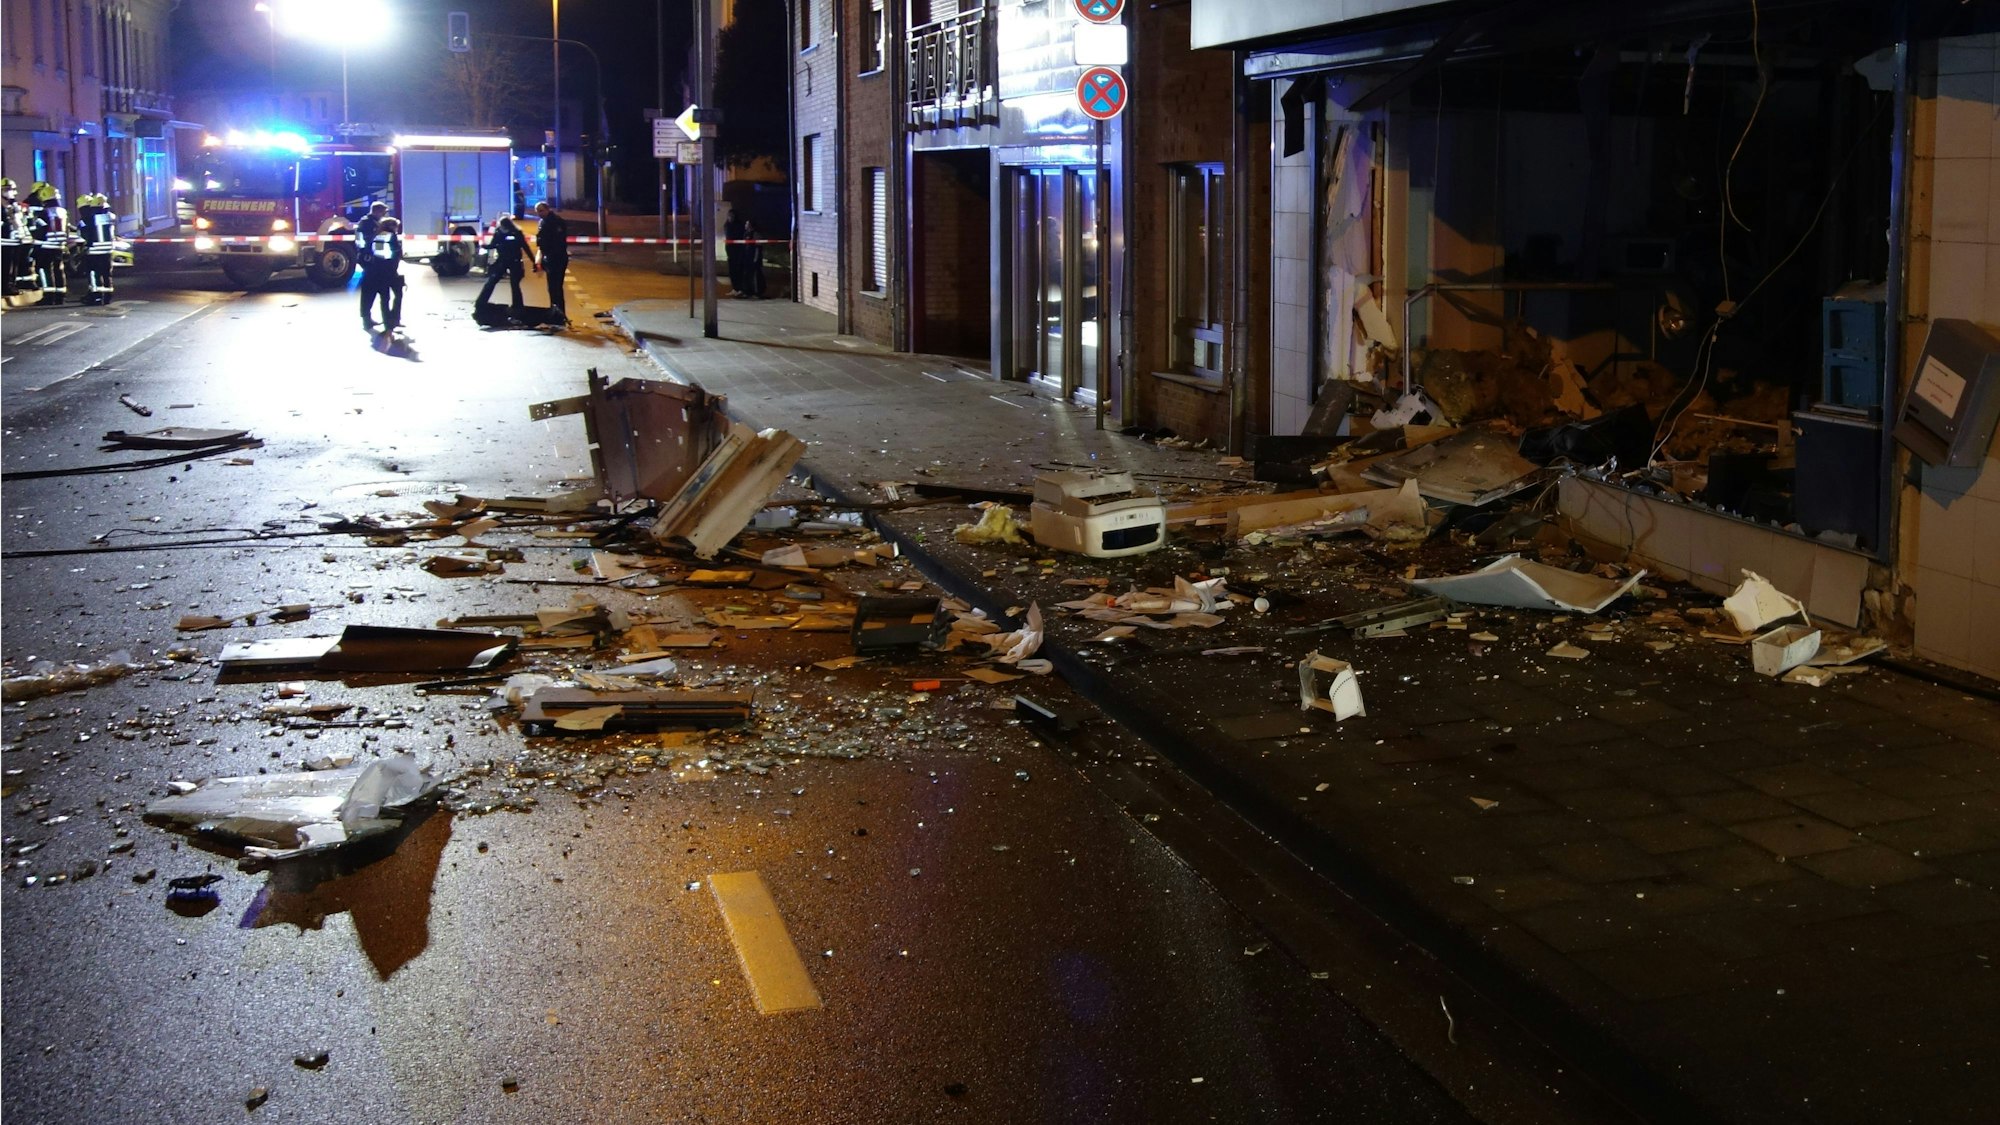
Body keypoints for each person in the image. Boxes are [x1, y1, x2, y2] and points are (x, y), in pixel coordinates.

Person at [474, 214, 532, 322]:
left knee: (496, 282)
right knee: (510, 284)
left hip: (507, 261)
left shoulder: (504, 233)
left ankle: (482, 302)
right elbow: (525, 247)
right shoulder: (511, 233)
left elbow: (493, 245)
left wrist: (483, 246)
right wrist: (533, 262)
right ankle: (517, 306)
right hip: (510, 261)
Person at [360, 216, 404, 332]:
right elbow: (395, 254)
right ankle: (390, 322)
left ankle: (368, 320)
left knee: (370, 297)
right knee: (388, 297)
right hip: (386, 271)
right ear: (392, 226)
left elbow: (374, 253)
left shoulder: (376, 235)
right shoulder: (390, 236)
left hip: (373, 271)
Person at [27, 182, 67, 305]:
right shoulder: (62, 211)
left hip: (46, 246)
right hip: (59, 246)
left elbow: (39, 231)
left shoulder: (45, 213)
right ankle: (60, 295)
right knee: (58, 270)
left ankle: (48, 295)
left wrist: (30, 227)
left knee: (44, 270)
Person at [75, 193, 118, 305]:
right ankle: (107, 297)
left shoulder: (88, 219)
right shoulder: (111, 217)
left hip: (94, 251)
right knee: (106, 274)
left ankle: (96, 297)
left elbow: (83, 235)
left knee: (94, 274)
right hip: (108, 251)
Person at [531, 200, 569, 322]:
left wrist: (548, 255)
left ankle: (559, 315)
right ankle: (555, 313)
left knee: (556, 287)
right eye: (537, 211)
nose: (539, 213)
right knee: (552, 288)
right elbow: (541, 244)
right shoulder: (543, 222)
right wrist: (540, 260)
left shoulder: (556, 221)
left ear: (547, 209)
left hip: (557, 258)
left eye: (541, 210)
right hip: (549, 258)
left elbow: (558, 242)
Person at [353, 202, 390, 323]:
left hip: (371, 259)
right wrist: (365, 253)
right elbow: (366, 240)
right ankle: (366, 318)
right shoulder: (368, 223)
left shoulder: (368, 222)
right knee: (369, 290)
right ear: (377, 211)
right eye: (383, 212)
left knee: (371, 290)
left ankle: (367, 317)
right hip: (370, 260)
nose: (384, 215)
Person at [1, 179, 23, 299]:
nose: (12, 192)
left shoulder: (13, 205)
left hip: (14, 240)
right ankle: (5, 287)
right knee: (4, 265)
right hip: (3, 241)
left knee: (13, 265)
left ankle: (11, 285)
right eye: (8, 189)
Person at [723, 207, 748, 295]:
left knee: (739, 270)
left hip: (738, 252)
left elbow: (737, 237)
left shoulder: (738, 226)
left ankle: (740, 288)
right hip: (730, 252)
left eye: (731, 216)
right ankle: (735, 288)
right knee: (732, 271)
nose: (730, 217)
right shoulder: (727, 225)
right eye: (729, 215)